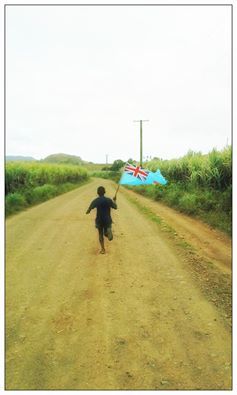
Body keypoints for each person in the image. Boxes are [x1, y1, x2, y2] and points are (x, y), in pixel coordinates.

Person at [86, 186, 117, 254]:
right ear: (104, 192)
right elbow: (115, 207)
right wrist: (114, 200)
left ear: (97, 193)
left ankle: (103, 249)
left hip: (99, 220)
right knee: (106, 229)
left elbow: (88, 210)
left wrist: (88, 211)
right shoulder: (108, 200)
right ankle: (107, 232)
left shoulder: (96, 200)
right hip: (107, 219)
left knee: (100, 234)